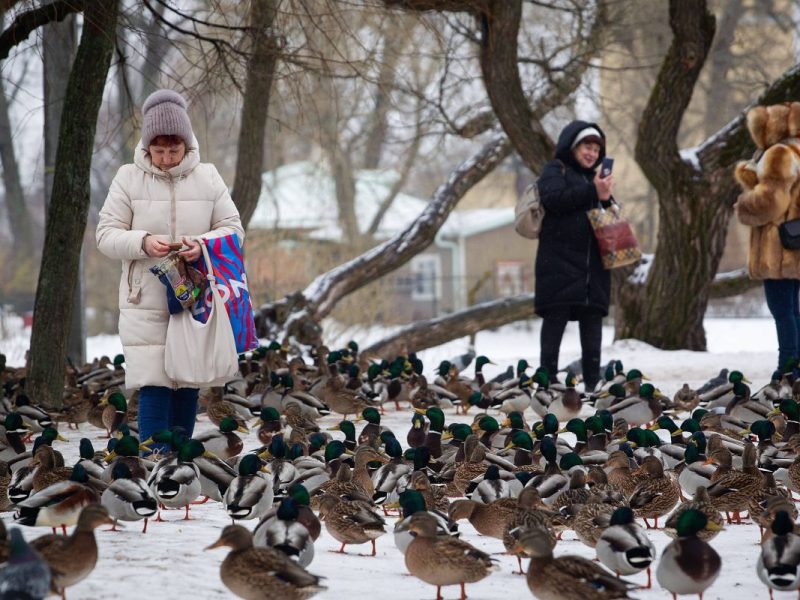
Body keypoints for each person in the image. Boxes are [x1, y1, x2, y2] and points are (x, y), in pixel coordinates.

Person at [96, 89, 244, 453]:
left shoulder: (208, 178)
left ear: (186, 144)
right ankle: (152, 463)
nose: (165, 158)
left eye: (172, 151)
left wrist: (203, 245)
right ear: (147, 147)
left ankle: (178, 465)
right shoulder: (128, 178)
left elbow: (234, 229)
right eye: (158, 151)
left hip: (194, 296)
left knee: (188, 382)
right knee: (155, 383)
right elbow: (105, 235)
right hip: (145, 298)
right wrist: (143, 242)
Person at [534, 120, 613, 391]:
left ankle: (593, 382)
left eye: (595, 149)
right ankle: (547, 382)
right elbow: (553, 199)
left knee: (592, 323)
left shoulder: (596, 179)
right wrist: (593, 190)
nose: (591, 153)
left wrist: (605, 196)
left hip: (594, 268)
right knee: (555, 320)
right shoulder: (556, 169)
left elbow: (608, 217)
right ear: (572, 146)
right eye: (586, 147)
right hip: (559, 263)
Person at [735, 102, 800, 373]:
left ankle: (788, 369)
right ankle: (793, 367)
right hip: (793, 244)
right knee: (791, 310)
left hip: (778, 248)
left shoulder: (779, 153)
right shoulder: (796, 150)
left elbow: (772, 200)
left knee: (782, 310)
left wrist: (743, 205)